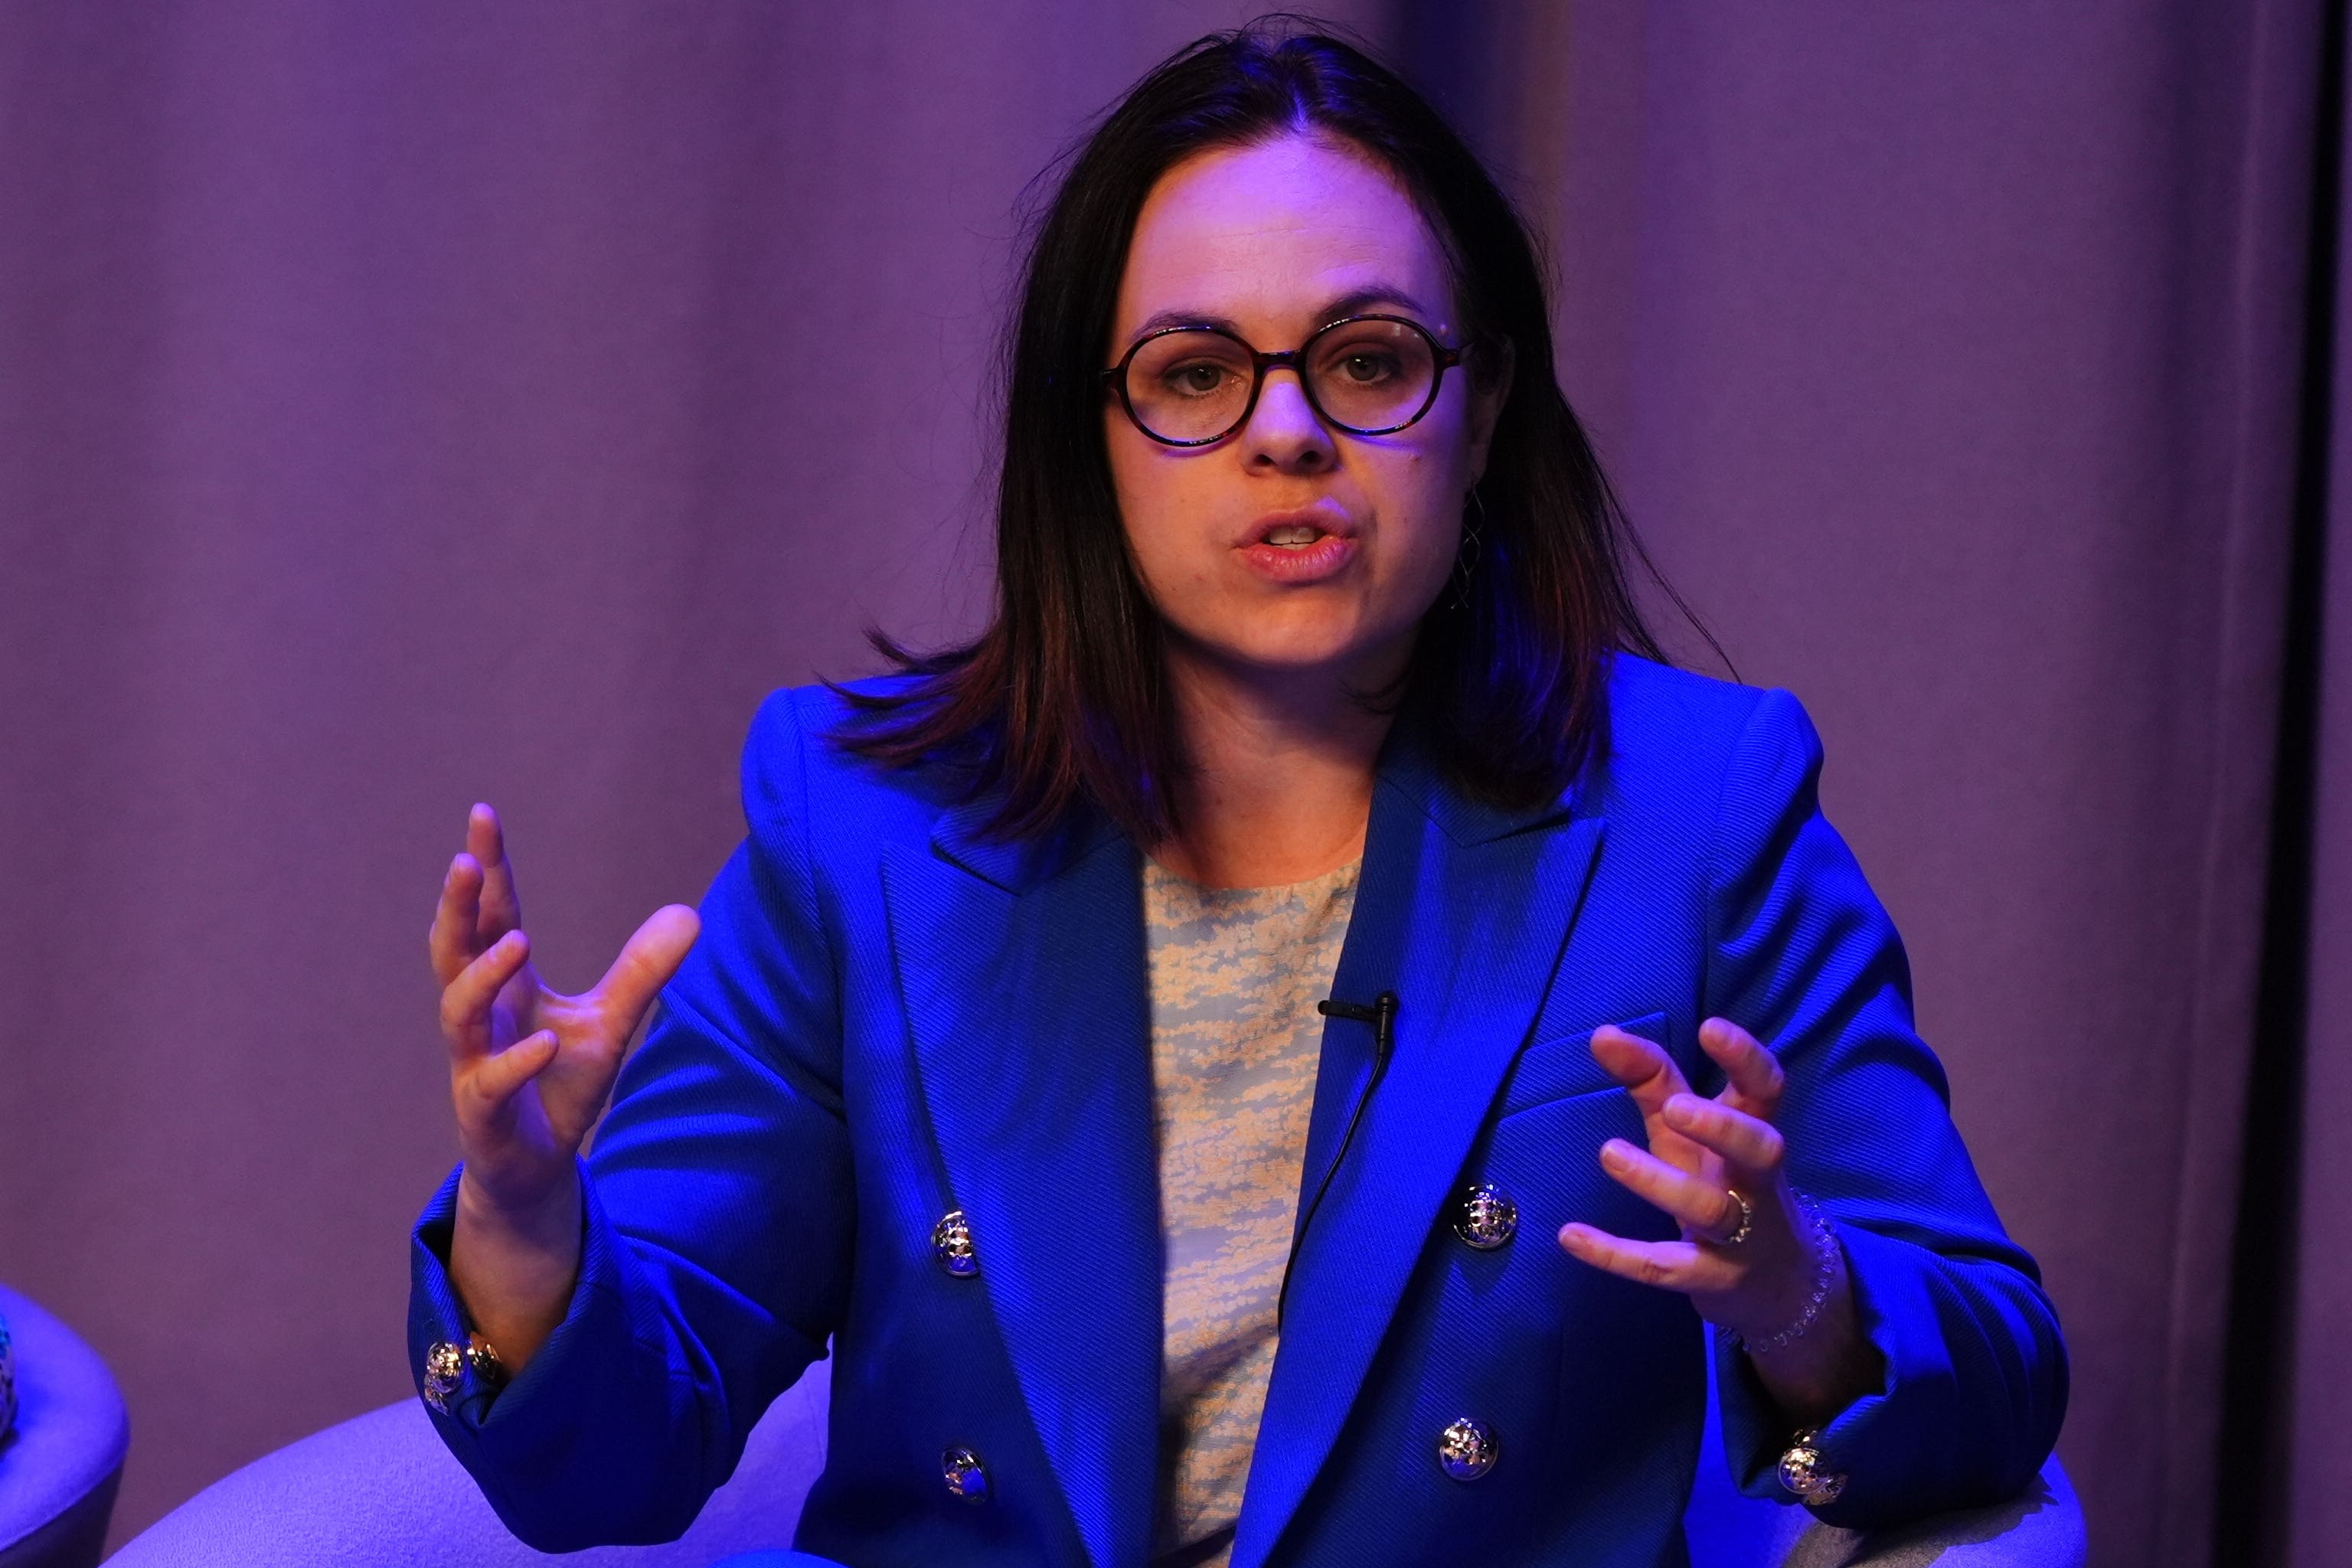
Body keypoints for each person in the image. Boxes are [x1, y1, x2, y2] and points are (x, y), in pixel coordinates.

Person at [410, 24, 2066, 1568]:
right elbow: (607, 1470)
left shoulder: (1697, 810)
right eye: (1196, 375)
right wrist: (526, 1222)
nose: (1288, 433)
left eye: (1367, 359)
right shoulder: (863, 829)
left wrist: (1793, 1284)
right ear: (1093, 434)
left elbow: (2003, 1385)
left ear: (1483, 405)